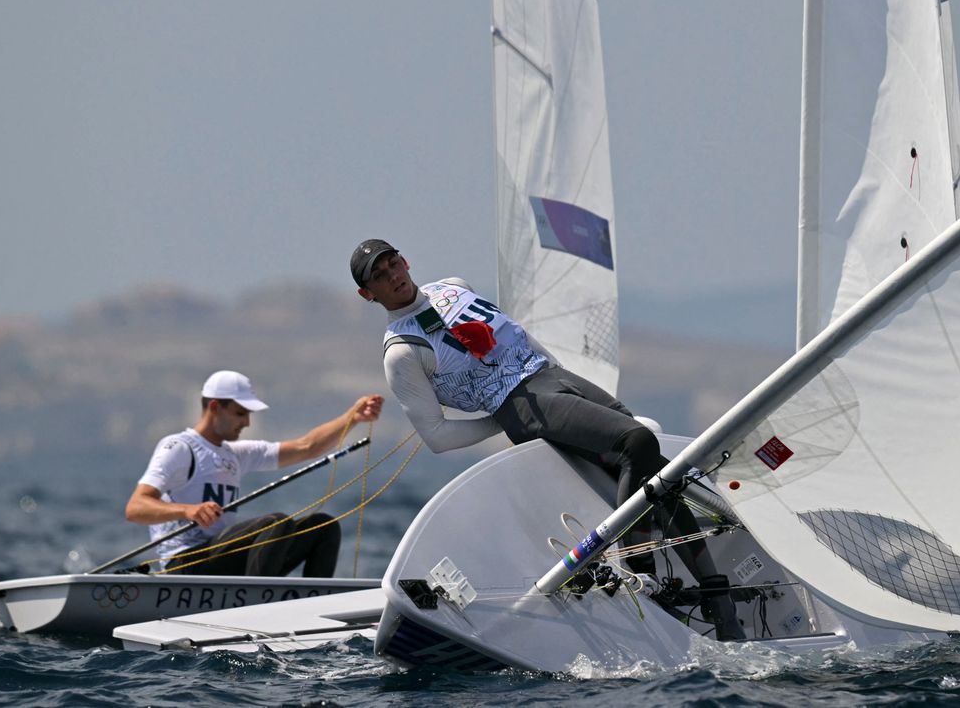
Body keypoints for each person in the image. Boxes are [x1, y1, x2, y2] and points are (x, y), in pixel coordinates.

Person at [349, 238, 743, 640]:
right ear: (368, 294)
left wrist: (562, 378)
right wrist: (501, 421)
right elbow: (436, 436)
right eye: (379, 276)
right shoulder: (401, 352)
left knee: (657, 469)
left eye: (393, 263)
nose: (392, 276)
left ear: (405, 260)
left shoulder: (453, 285)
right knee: (636, 441)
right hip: (519, 405)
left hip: (554, 379)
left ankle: (717, 598)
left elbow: (516, 335)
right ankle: (644, 583)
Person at [125, 370, 384, 577]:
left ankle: (313, 605)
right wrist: (187, 511)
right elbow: (136, 507)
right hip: (184, 564)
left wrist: (353, 417)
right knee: (276, 523)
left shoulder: (237, 454)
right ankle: (256, 606)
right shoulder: (179, 448)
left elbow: (308, 447)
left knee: (324, 527)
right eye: (240, 413)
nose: (247, 423)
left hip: (221, 558)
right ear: (214, 407)